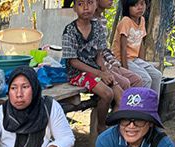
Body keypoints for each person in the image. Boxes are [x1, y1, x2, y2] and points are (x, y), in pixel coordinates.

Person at [62, 0, 123, 134]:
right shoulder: (70, 30)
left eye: (89, 3)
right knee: (107, 94)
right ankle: (101, 126)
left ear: (95, 6)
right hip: (77, 73)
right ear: (74, 8)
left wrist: (105, 72)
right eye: (80, 4)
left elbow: (99, 56)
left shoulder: (98, 28)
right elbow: (73, 61)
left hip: (95, 70)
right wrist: (99, 74)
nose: (85, 7)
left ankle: (113, 128)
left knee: (121, 96)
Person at [113, 0, 163, 94]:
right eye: (135, 5)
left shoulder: (142, 20)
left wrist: (142, 63)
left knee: (157, 75)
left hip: (134, 59)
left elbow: (141, 44)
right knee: (146, 79)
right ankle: (141, 106)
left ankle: (152, 105)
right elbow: (122, 48)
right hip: (122, 59)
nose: (140, 7)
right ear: (128, 7)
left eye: (142, 4)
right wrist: (126, 69)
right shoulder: (126, 21)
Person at [95, 0, 144, 90]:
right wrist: (108, 67)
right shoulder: (88, 22)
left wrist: (114, 63)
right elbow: (93, 55)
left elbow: (104, 50)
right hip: (96, 67)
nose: (111, 0)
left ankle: (146, 102)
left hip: (108, 63)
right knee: (125, 83)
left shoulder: (102, 20)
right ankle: (125, 103)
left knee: (138, 80)